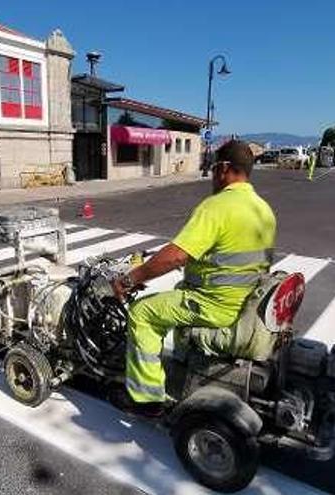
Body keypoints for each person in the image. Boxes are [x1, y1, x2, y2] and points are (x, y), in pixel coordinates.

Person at [111, 140, 277, 417]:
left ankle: (145, 398)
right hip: (246, 301)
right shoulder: (263, 209)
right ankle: (184, 367)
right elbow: (229, 254)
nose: (212, 175)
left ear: (224, 169)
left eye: (213, 169)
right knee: (176, 294)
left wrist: (129, 280)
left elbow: (176, 254)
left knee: (142, 312)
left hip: (215, 305)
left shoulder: (217, 206)